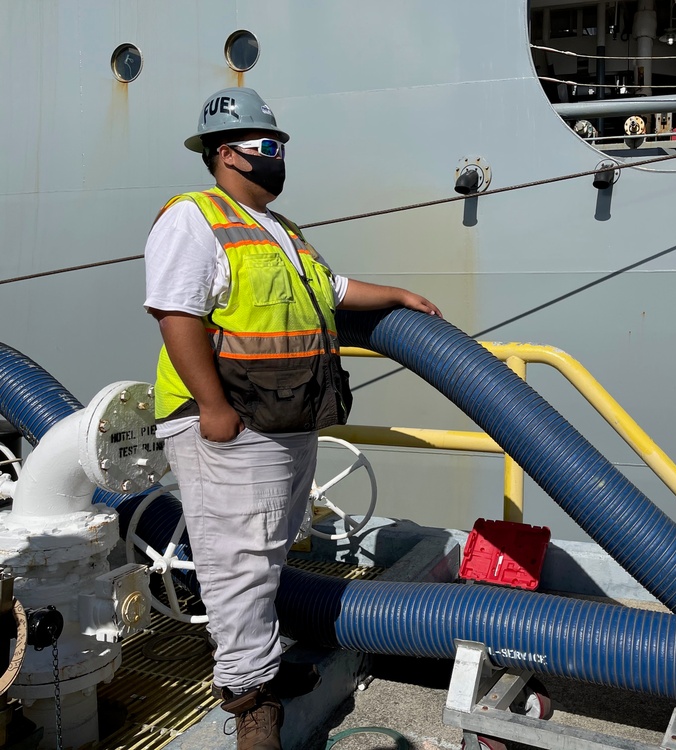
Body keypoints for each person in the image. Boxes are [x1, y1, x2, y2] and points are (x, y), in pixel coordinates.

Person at [143, 87, 440, 750]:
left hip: (284, 419)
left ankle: (264, 671)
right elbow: (176, 315)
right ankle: (250, 699)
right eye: (267, 146)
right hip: (229, 421)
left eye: (279, 147)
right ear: (228, 154)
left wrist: (394, 294)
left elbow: (331, 291)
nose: (278, 158)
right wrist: (214, 408)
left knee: (269, 552)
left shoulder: (283, 231)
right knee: (239, 561)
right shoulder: (194, 218)